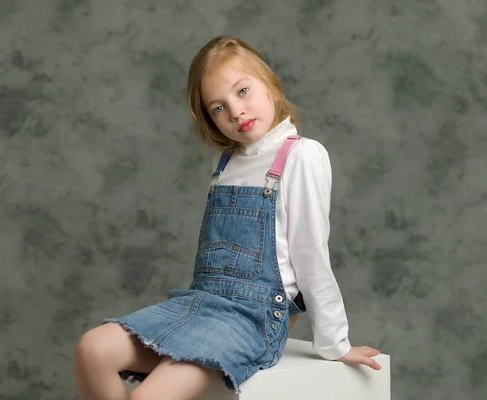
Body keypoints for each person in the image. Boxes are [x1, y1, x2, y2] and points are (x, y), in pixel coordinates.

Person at [74, 35, 381, 400]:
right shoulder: (225, 165)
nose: (235, 111)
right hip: (199, 304)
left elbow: (311, 255)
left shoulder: (302, 156)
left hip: (251, 320)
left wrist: (335, 343)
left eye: (243, 91)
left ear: (269, 83)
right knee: (92, 349)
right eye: (217, 108)